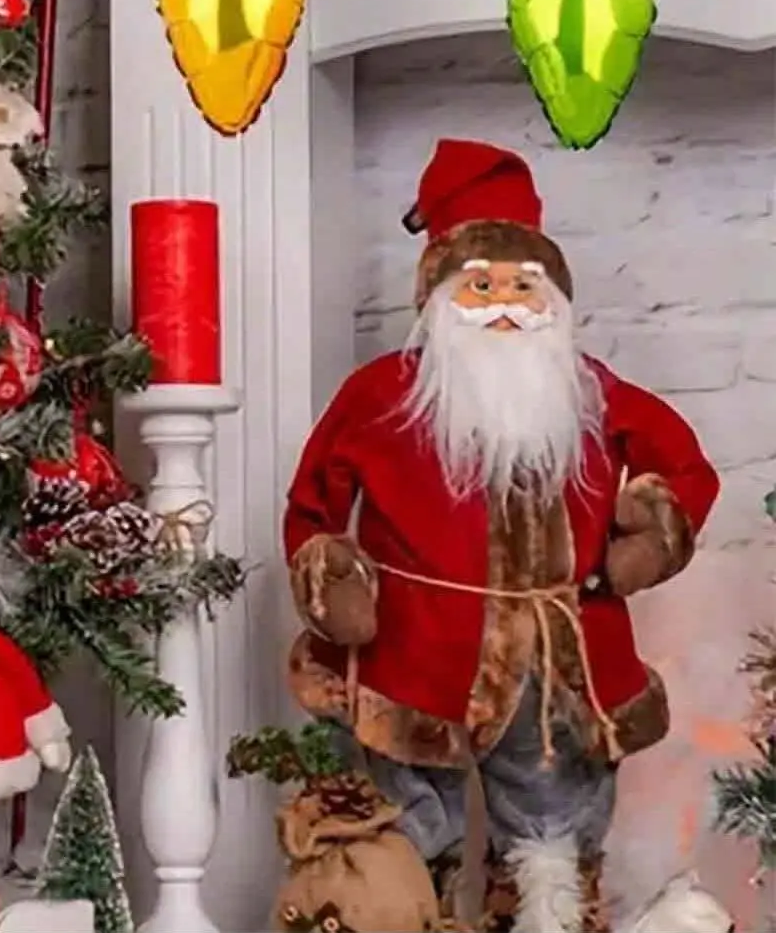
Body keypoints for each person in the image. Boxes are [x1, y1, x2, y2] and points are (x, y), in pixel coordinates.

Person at [282, 138, 720, 933]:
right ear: (439, 295)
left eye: (525, 285)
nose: (505, 303)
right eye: (481, 285)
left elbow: (687, 468)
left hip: (560, 670)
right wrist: (333, 578)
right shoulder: (381, 395)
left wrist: (648, 541)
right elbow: (312, 503)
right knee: (403, 846)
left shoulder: (593, 394)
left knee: (554, 848)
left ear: (554, 299)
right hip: (416, 660)